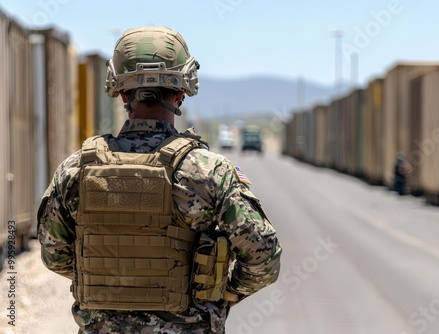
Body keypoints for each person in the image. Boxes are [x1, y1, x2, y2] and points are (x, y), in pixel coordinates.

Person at [37, 26, 282, 334]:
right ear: (180, 93)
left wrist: (108, 284)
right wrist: (222, 296)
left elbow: (54, 253)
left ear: (122, 93)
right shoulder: (208, 171)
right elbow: (264, 258)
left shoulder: (76, 169)